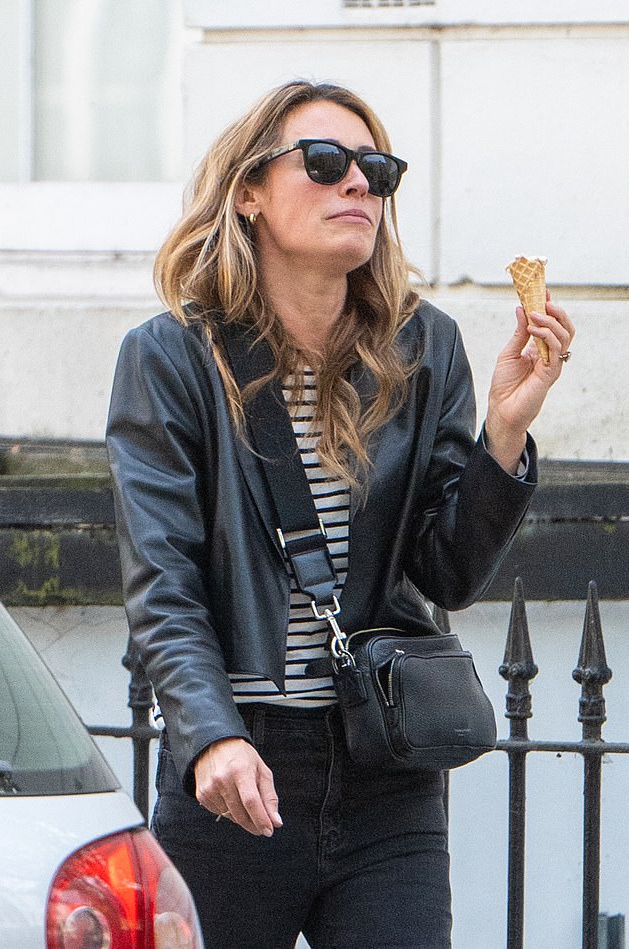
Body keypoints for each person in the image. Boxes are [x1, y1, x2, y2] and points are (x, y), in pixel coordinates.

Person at [106, 80, 575, 949]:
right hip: (238, 767)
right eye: (324, 163)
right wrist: (210, 737)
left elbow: (447, 573)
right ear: (247, 192)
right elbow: (163, 583)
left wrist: (505, 431)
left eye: (376, 169)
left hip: (384, 766)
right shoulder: (171, 356)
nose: (356, 183)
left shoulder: (422, 345)